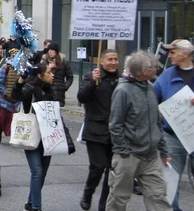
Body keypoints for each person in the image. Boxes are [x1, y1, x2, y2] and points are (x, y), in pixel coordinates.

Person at [106, 50, 172, 211]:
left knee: (158, 197)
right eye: (155, 67)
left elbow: (156, 122)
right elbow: (115, 125)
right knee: (119, 199)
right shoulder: (123, 91)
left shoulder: (150, 88)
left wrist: (163, 151)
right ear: (144, 71)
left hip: (150, 157)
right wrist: (124, 152)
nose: (158, 69)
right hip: (128, 156)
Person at [153, 39, 194, 211]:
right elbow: (153, 98)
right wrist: (158, 111)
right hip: (172, 136)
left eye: (173, 52)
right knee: (171, 178)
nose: (169, 55)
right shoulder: (167, 75)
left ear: (185, 54)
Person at [77, 49, 120, 211]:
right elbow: (82, 97)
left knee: (112, 171)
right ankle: (88, 193)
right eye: (110, 59)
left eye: (115, 59)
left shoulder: (121, 80)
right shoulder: (92, 77)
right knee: (98, 166)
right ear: (101, 62)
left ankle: (104, 205)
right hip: (95, 130)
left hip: (114, 132)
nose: (113, 62)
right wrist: (92, 83)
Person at [12, 63, 56, 211]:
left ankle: (31, 203)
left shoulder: (51, 91)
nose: (52, 75)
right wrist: (20, 82)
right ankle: (37, 207)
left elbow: (55, 115)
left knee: (42, 174)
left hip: (48, 137)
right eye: (49, 72)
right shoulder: (30, 89)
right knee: (37, 172)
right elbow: (16, 96)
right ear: (40, 75)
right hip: (31, 134)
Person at [0, 48, 21, 143]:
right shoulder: (5, 67)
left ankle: (14, 136)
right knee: (2, 119)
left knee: (16, 119)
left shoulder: (22, 68)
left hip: (17, 100)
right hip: (5, 99)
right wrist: (6, 93)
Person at [41, 42, 74, 107]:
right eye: (49, 50)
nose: (50, 52)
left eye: (52, 50)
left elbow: (70, 77)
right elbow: (40, 76)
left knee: (58, 111)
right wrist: (48, 68)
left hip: (59, 92)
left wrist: (64, 87)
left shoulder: (64, 62)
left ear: (56, 51)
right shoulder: (44, 62)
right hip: (46, 91)